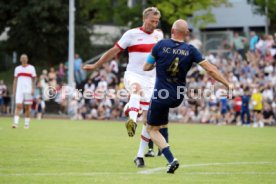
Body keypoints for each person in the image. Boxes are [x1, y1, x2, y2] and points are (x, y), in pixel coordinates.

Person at [143, 19, 233, 174]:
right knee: (162, 123)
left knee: (151, 129)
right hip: (177, 96)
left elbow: (146, 66)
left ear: (172, 30)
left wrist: (157, 62)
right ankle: (168, 158)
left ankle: (171, 160)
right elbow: (210, 69)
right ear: (186, 33)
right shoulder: (191, 49)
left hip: (161, 94)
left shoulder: (159, 45)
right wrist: (227, 84)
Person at [83, 7, 164, 167]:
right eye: (152, 21)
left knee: (149, 121)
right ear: (144, 18)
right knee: (136, 89)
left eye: (156, 21)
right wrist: (96, 65)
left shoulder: (159, 35)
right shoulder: (131, 34)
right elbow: (113, 51)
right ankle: (132, 120)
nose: (154, 24)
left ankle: (139, 156)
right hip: (134, 75)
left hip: (151, 80)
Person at [12, 54, 37, 129]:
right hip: (19, 90)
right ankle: (15, 123)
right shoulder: (17, 69)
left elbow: (34, 79)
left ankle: (26, 124)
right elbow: (15, 80)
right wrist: (14, 89)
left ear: (27, 59)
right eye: (22, 58)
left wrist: (33, 89)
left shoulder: (31, 68)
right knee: (18, 106)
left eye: (25, 58)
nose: (23, 59)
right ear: (20, 59)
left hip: (28, 90)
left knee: (27, 107)